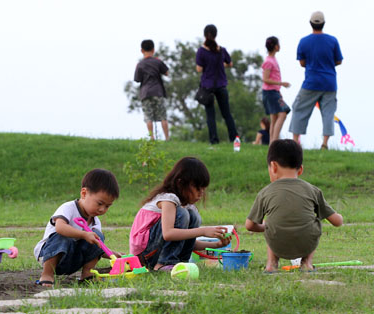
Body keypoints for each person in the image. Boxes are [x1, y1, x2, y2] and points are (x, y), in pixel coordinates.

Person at [245, 140, 343, 272]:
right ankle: (306, 263)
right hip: (306, 245)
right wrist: (340, 217)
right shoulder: (313, 190)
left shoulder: (265, 193)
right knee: (315, 221)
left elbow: (249, 225)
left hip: (277, 244)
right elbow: (337, 222)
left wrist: (266, 226)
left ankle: (272, 264)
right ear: (301, 169)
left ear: (273, 166)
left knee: (271, 222)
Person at [129, 157, 230, 271]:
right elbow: (168, 234)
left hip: (155, 251)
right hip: (144, 257)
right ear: (180, 183)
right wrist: (203, 231)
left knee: (193, 216)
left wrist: (217, 245)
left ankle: (180, 263)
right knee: (182, 214)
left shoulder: (185, 206)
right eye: (197, 187)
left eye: (203, 188)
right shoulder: (168, 199)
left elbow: (184, 242)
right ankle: (164, 264)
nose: (201, 193)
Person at [34, 168, 121, 287]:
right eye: (100, 203)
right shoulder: (68, 208)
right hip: (49, 255)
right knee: (63, 236)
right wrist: (84, 234)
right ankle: (47, 274)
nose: (102, 209)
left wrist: (112, 254)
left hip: (74, 259)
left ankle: (87, 275)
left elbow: (96, 246)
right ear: (84, 193)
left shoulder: (95, 222)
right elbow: (60, 228)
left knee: (98, 237)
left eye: (107, 206)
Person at [289, 11, 343, 150]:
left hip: (311, 82)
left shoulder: (304, 41)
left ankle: (295, 142)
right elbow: (338, 61)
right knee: (328, 113)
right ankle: (325, 143)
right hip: (330, 83)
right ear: (324, 23)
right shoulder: (333, 40)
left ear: (310, 24)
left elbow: (301, 63)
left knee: (299, 108)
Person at [195, 24, 239, 145]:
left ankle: (214, 141)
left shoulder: (201, 51)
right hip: (221, 85)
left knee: (210, 115)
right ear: (216, 35)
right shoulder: (221, 50)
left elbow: (199, 69)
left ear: (204, 35)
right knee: (227, 114)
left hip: (207, 86)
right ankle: (235, 139)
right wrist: (220, 64)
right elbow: (230, 63)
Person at [134, 39, 170, 141]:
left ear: (142, 50)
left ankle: (152, 137)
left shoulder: (140, 64)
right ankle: (167, 138)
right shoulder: (157, 61)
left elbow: (137, 79)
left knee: (148, 117)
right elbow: (167, 72)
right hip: (158, 92)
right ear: (153, 50)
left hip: (145, 93)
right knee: (163, 116)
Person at [262, 36, 291, 142]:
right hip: (269, 93)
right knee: (283, 113)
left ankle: (272, 143)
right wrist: (281, 83)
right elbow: (265, 79)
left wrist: (278, 90)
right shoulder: (269, 61)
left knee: (274, 118)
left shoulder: (272, 59)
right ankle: (274, 141)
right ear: (275, 46)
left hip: (274, 92)